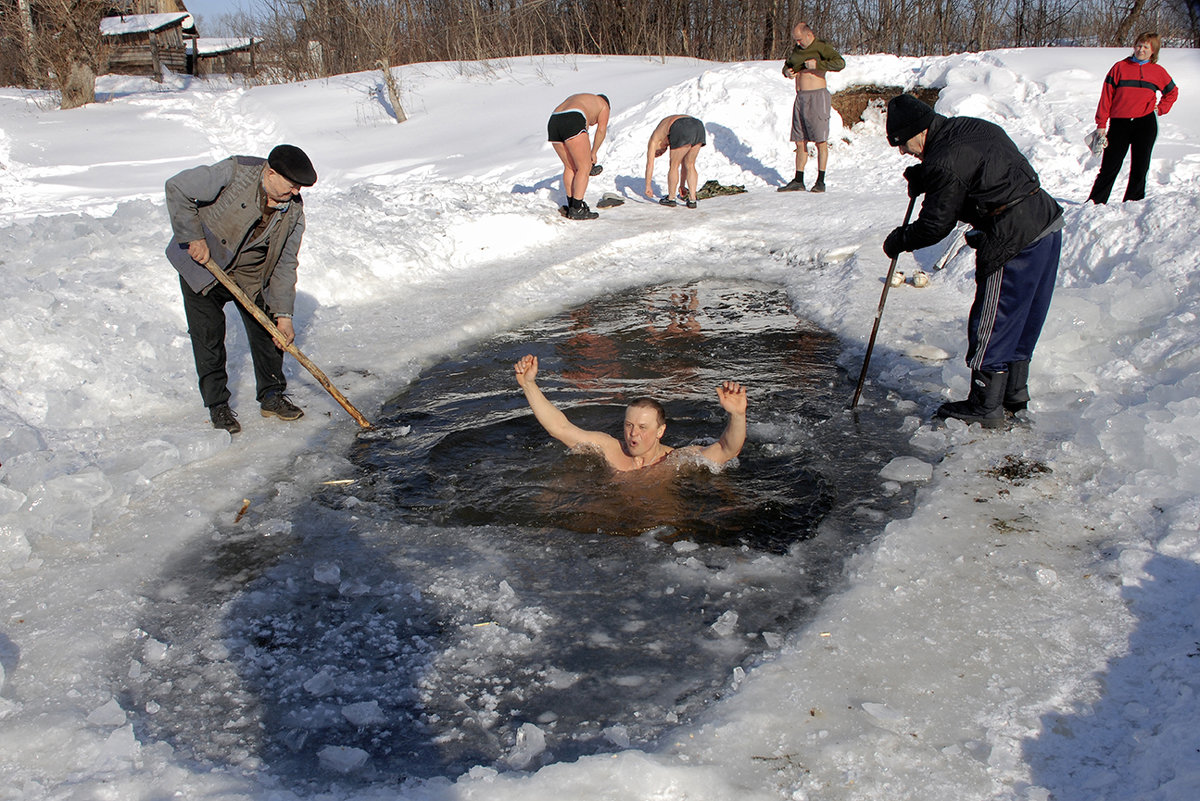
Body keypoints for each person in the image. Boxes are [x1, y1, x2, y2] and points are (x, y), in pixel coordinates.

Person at [882, 94, 1064, 429]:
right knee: (1024, 316)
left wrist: (899, 239)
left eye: (902, 144)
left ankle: (985, 405)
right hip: (1045, 223)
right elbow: (975, 171)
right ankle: (1013, 394)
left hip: (1013, 235)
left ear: (919, 131)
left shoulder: (944, 159)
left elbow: (936, 225)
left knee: (995, 318)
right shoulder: (968, 127)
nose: (903, 152)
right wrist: (927, 177)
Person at [165, 144, 317, 435]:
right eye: (292, 185)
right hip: (204, 266)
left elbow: (286, 262)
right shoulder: (235, 171)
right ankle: (218, 405)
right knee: (208, 338)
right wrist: (192, 237)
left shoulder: (293, 210)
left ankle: (271, 395)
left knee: (268, 333)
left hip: (249, 276)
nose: (296, 193)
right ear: (270, 173)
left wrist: (284, 315)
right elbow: (177, 187)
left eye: (300, 187)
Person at [512, 354, 747, 471]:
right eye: (629, 425)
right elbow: (560, 429)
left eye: (643, 427)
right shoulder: (609, 449)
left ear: (660, 431)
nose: (633, 434)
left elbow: (728, 449)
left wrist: (737, 415)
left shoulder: (676, 461)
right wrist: (529, 385)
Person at [1087, 32, 1179, 204]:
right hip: (1119, 124)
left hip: (1145, 124)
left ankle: (1133, 204)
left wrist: (1161, 108)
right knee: (1109, 167)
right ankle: (1095, 203)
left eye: (1146, 47)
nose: (1140, 49)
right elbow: (1106, 97)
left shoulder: (1158, 72)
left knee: (1140, 167)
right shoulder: (1119, 67)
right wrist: (1101, 124)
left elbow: (1172, 92)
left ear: (1153, 51)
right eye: (1138, 45)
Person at [777, 22, 845, 194]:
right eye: (796, 40)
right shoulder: (797, 50)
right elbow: (788, 65)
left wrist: (818, 65)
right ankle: (798, 179)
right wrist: (787, 72)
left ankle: (820, 181)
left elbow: (840, 63)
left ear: (809, 35)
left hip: (817, 96)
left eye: (800, 40)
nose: (798, 43)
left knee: (820, 140)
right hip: (800, 98)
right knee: (800, 140)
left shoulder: (821, 47)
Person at [548, 93, 610, 220]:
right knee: (584, 168)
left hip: (554, 120)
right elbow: (601, 130)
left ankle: (572, 205)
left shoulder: (584, 99)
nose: (594, 123)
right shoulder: (604, 105)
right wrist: (593, 152)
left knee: (570, 167)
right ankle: (577, 209)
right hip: (573, 117)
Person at [643, 115, 706, 208]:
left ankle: (671, 198)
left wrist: (648, 186)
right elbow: (684, 165)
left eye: (658, 153)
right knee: (690, 164)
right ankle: (692, 199)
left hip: (680, 125)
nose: (660, 153)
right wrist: (682, 185)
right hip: (697, 125)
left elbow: (649, 164)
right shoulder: (664, 131)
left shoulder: (654, 141)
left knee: (674, 165)